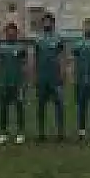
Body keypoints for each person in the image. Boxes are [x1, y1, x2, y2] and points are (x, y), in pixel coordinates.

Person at [32, 13, 67, 141]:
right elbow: (35, 58)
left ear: (53, 23)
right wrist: (35, 75)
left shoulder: (58, 38)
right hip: (42, 77)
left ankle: (60, 133)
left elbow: (63, 56)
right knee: (41, 106)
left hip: (55, 77)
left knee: (59, 105)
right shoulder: (38, 39)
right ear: (42, 24)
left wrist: (63, 72)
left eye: (49, 21)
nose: (47, 24)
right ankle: (41, 133)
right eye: (45, 21)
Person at [0, 22, 30, 145]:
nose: (10, 33)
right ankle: (3, 133)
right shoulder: (1, 47)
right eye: (8, 31)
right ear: (6, 33)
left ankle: (20, 133)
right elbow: (0, 65)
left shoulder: (21, 48)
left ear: (16, 33)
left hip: (18, 83)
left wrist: (25, 82)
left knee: (19, 108)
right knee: (3, 109)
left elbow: (25, 65)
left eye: (13, 31)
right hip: (4, 83)